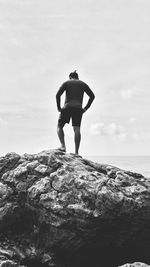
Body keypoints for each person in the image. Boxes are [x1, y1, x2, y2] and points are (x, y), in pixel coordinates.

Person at [56, 70, 95, 155]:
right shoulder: (83, 84)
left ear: (70, 77)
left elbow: (58, 95)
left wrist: (59, 108)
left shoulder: (67, 82)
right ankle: (76, 152)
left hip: (67, 107)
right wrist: (85, 108)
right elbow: (92, 96)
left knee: (59, 126)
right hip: (78, 109)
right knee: (76, 128)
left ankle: (63, 146)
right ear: (78, 77)